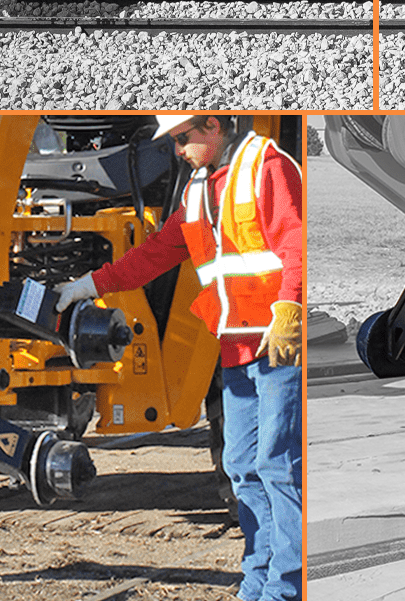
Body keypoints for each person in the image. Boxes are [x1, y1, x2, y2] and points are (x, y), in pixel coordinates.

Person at [56, 113, 305, 601]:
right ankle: (256, 586)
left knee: (277, 466)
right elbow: (152, 256)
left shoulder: (267, 165)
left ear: (213, 125)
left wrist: (290, 307)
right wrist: (88, 285)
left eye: (182, 138)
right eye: (172, 140)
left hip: (276, 344)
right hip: (235, 346)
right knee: (241, 467)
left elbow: (295, 242)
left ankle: (286, 589)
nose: (176, 149)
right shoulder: (197, 191)